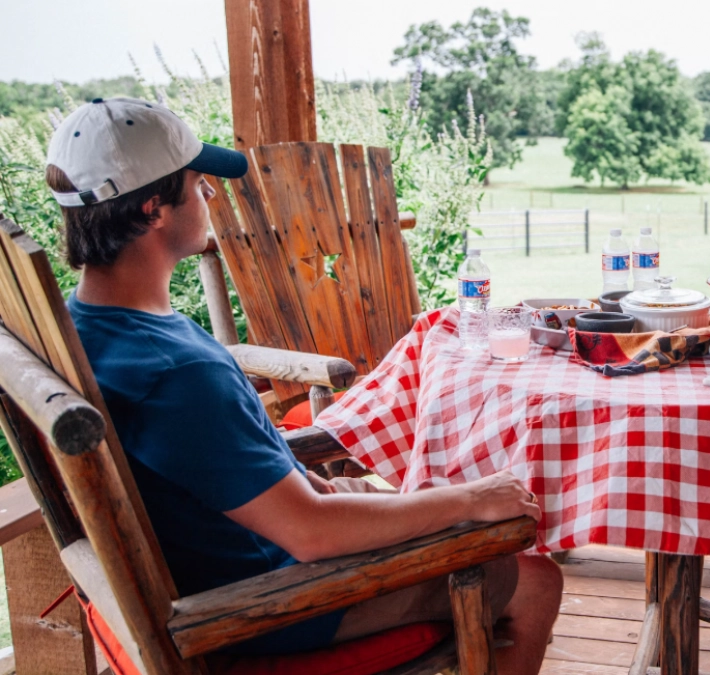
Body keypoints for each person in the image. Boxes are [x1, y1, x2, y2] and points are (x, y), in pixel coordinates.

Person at [45, 97, 562, 673]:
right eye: (197, 183)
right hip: (262, 605)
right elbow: (310, 532)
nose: (211, 194)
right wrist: (471, 498)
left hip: (229, 555)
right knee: (531, 575)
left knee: (422, 503)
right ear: (152, 209)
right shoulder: (176, 374)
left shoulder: (87, 328)